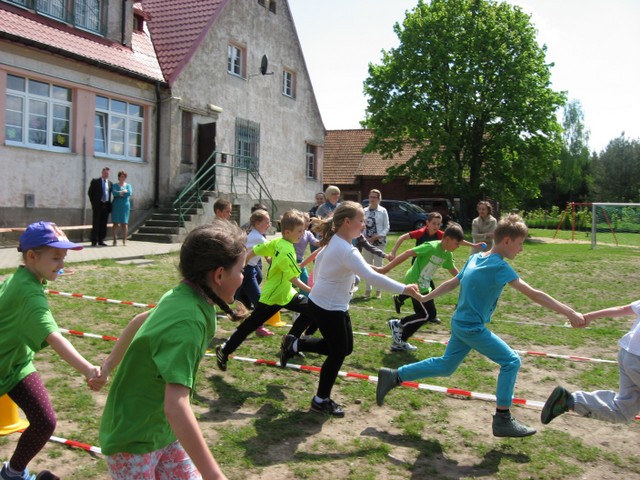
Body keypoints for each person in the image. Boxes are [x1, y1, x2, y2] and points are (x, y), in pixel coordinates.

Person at [376, 214, 585, 438]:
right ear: (507, 241)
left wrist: (426, 297)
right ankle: (503, 418)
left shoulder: (475, 258)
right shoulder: (499, 266)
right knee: (511, 361)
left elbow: (452, 283)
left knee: (446, 366)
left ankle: (394, 376)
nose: (521, 249)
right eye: (520, 244)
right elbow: (534, 294)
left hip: (459, 323)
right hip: (471, 327)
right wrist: (570, 312)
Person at [97, 222, 247, 480]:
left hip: (165, 431)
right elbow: (176, 406)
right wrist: (214, 474)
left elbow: (140, 319)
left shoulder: (186, 294)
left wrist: (109, 364)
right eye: (241, 270)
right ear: (219, 275)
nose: (244, 277)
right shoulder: (188, 321)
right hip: (133, 442)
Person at [278, 201, 421, 417]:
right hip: (327, 307)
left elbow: (334, 266)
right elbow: (372, 277)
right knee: (337, 352)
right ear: (347, 222)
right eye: (361, 220)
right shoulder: (344, 249)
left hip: (330, 304)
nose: (364, 225)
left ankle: (294, 343)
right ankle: (320, 400)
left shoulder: (335, 242)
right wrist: (405, 289)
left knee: (345, 348)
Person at [0, 221, 100, 480]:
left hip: (17, 365)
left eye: (63, 257)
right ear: (32, 256)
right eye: (56, 257)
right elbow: (55, 338)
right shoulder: (27, 292)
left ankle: (12, 473)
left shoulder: (23, 276)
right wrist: (89, 369)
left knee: (45, 421)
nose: (61, 264)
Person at [215, 210, 312, 371]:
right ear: (287, 232)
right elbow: (293, 278)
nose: (302, 234)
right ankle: (224, 350)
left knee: (311, 309)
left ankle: (290, 343)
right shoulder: (286, 250)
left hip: (286, 294)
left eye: (303, 230)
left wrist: (246, 261)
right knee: (250, 325)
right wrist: (311, 290)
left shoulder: (279, 242)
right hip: (273, 297)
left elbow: (256, 250)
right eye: (300, 231)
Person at [541, 300, 640, 425]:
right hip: (636, 359)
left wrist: (588, 317)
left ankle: (569, 400)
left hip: (628, 354)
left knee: (623, 410)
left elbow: (622, 309)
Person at [377, 223, 465, 351]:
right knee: (426, 314)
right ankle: (398, 324)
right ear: (447, 239)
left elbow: (452, 269)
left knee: (427, 314)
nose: (458, 246)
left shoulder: (447, 254)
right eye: (457, 243)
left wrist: (465, 281)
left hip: (425, 285)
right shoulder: (431, 247)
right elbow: (408, 253)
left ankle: (399, 341)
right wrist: (386, 269)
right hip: (414, 282)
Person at [388, 212, 485, 314]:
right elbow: (403, 237)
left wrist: (474, 245)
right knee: (426, 291)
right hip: (419, 265)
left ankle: (404, 302)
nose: (436, 226)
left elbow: (458, 240)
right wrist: (393, 252)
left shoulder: (442, 235)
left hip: (429, 266)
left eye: (438, 224)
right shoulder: (421, 232)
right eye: (434, 223)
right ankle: (426, 314)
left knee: (425, 290)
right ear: (427, 223)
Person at [235, 208, 275, 337]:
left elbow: (268, 256)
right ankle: (258, 327)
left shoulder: (255, 235)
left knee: (244, 300)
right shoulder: (258, 238)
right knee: (259, 302)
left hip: (247, 270)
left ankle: (246, 323)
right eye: (266, 222)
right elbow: (273, 250)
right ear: (257, 223)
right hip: (247, 271)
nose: (269, 225)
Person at [362, 189, 390, 299]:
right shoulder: (364, 211)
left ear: (379, 199)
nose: (372, 199)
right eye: (371, 197)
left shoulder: (383, 211)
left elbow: (387, 227)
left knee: (379, 266)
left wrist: (378, 236)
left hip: (379, 242)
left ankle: (378, 290)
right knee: (367, 266)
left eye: (374, 197)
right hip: (366, 242)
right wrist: (364, 237)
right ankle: (368, 289)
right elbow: (361, 225)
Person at [88, 166, 112, 246]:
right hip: (98, 205)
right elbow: (90, 193)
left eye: (107, 173)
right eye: (105, 173)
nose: (106, 174)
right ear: (102, 173)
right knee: (96, 223)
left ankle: (101, 240)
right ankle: (94, 240)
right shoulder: (96, 181)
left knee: (103, 223)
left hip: (106, 205)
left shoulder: (110, 183)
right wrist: (94, 203)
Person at [110, 170, 133, 246]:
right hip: (116, 205)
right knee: (115, 223)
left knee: (124, 223)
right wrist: (122, 192)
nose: (123, 178)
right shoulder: (115, 185)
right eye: (121, 176)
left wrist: (119, 193)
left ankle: (124, 240)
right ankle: (114, 240)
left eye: (124, 177)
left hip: (125, 205)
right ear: (119, 177)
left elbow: (129, 193)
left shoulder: (128, 185)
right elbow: (114, 193)